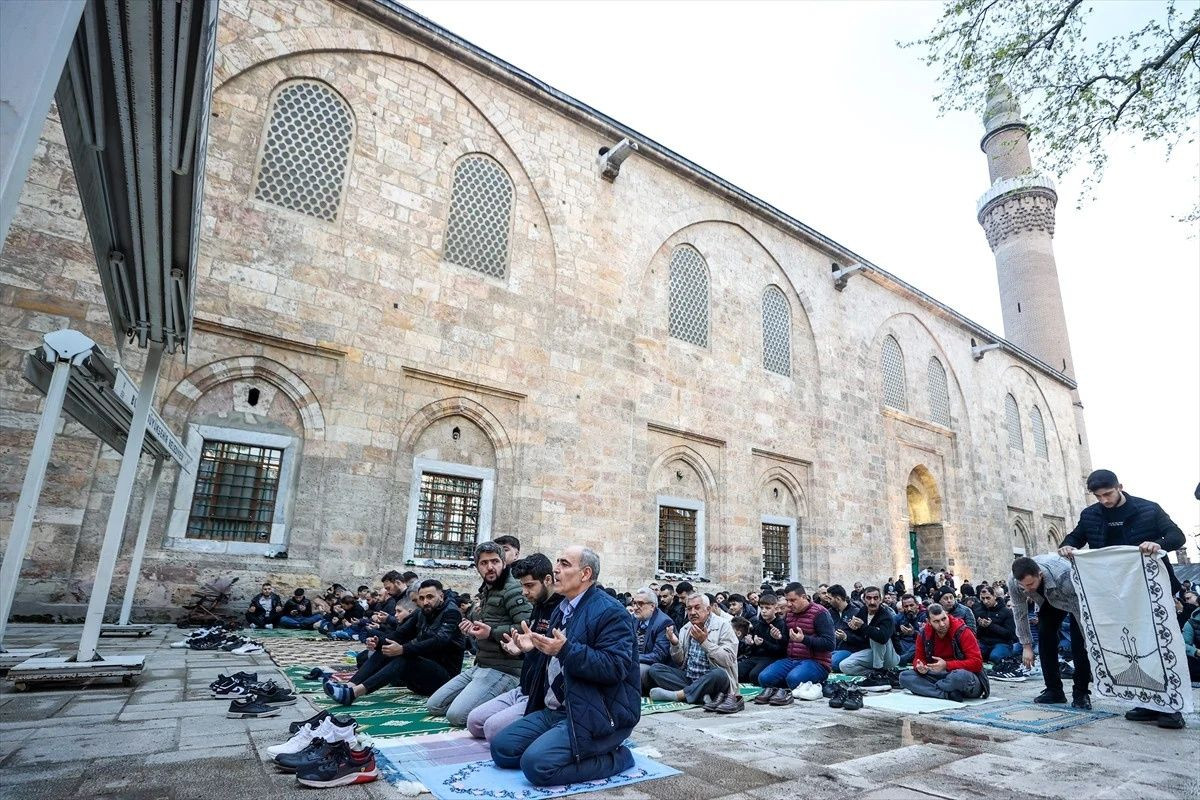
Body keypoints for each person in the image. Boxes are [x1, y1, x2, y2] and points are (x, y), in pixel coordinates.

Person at [490, 546, 641, 787]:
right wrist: (531, 649)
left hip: (595, 714)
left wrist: (566, 650)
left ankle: (619, 757)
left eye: (564, 564)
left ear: (585, 574)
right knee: (502, 750)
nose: (556, 569)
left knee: (537, 766)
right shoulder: (562, 609)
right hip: (556, 709)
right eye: (557, 562)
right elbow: (554, 663)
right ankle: (563, 745)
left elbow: (616, 667)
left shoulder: (611, 612)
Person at [427, 542, 533, 726]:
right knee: (434, 706)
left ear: (503, 563)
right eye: (484, 563)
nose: (490, 567)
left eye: (495, 561)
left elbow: (527, 628)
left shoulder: (514, 589)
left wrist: (491, 632)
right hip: (481, 665)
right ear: (477, 567)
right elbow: (487, 624)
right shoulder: (487, 590)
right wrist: (472, 627)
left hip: (505, 669)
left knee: (456, 716)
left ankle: (511, 696)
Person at [467, 554, 560, 741]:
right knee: (474, 723)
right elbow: (530, 649)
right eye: (522, 586)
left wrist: (530, 648)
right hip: (523, 687)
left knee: (492, 730)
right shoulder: (538, 605)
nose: (524, 592)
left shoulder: (561, 609)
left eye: (529, 585)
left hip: (540, 694)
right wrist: (519, 650)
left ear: (548, 579)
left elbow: (554, 656)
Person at [326, 580, 465, 703]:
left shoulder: (451, 613)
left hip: (445, 678)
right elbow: (400, 634)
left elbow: (438, 641)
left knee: (404, 657)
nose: (425, 602)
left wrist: (403, 649)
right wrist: (379, 642)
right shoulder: (422, 612)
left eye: (430, 597)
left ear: (441, 596)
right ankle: (350, 685)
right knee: (386, 650)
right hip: (423, 672)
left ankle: (353, 694)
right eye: (422, 598)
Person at [1059, 469, 1186, 594]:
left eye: (1108, 494)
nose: (1104, 500)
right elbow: (1076, 537)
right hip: (1110, 583)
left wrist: (1158, 544)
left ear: (1119, 487)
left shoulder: (1150, 509)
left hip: (1150, 580)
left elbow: (1177, 536)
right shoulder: (1090, 514)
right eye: (1098, 496)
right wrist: (1067, 546)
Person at [1009, 555, 1094, 711]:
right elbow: (1020, 614)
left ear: (1039, 574)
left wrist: (1089, 640)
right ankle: (1054, 690)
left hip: (1072, 598)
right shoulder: (1014, 582)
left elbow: (1080, 613)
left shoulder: (1065, 575)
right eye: (1023, 586)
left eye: (1030, 584)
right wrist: (1026, 646)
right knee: (1045, 635)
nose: (1027, 590)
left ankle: (1081, 692)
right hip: (1048, 601)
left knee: (1079, 643)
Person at [646, 593, 741, 713]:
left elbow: (728, 659)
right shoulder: (686, 628)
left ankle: (679, 695)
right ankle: (701, 696)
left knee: (719, 674)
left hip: (714, 680)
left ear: (708, 609)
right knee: (655, 669)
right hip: (690, 678)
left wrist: (704, 642)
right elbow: (679, 662)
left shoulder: (724, 626)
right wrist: (675, 644)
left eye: (697, 607)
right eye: (689, 608)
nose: (692, 612)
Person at [754, 582, 835, 706]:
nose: (789, 604)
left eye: (793, 600)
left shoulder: (820, 613)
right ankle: (785, 688)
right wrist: (779, 637)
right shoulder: (790, 614)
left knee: (794, 679)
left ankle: (809, 683)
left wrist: (804, 639)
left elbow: (830, 644)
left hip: (817, 662)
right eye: (787, 600)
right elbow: (787, 640)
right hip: (792, 659)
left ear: (804, 597)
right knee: (764, 678)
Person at [899, 603, 990, 701]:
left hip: (964, 677)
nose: (942, 624)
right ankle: (947, 694)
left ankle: (933, 689)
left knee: (959, 676)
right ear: (928, 622)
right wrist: (920, 666)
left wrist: (946, 665)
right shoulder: (924, 633)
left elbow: (977, 663)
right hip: (937, 674)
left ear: (947, 614)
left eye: (944, 619)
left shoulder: (963, 631)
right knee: (905, 676)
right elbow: (918, 658)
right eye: (936, 621)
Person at [838, 586, 898, 688]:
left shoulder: (886, 616)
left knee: (876, 634)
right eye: (869, 598)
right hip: (873, 653)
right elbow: (859, 635)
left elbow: (882, 638)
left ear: (880, 599)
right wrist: (851, 631)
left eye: (875, 598)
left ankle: (878, 672)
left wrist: (862, 626)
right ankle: (877, 674)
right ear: (864, 599)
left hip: (889, 657)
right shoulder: (863, 611)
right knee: (844, 666)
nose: (872, 602)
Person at [630, 587, 674, 691]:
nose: (635, 607)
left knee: (634, 670)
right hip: (636, 659)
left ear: (652, 606)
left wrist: (633, 657)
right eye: (634, 603)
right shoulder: (633, 619)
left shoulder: (664, 623)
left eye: (640, 604)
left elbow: (658, 656)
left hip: (655, 667)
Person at [738, 593, 786, 684]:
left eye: (767, 608)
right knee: (737, 671)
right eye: (762, 608)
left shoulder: (781, 624)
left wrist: (763, 643)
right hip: (757, 656)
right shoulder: (759, 624)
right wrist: (751, 643)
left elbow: (781, 650)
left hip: (772, 658)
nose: (763, 611)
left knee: (755, 675)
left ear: (776, 609)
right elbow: (754, 649)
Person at [827, 584, 866, 672]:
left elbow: (863, 640)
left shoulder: (856, 613)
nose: (828, 601)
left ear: (838, 599)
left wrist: (846, 637)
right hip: (832, 650)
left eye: (830, 598)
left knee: (833, 663)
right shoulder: (829, 613)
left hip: (849, 650)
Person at [974, 585, 1016, 664]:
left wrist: (991, 626)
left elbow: (1010, 634)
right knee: (973, 655)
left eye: (988, 598)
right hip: (985, 643)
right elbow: (977, 634)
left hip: (1002, 643)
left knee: (995, 657)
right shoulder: (979, 611)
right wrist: (981, 626)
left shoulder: (1006, 612)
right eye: (983, 598)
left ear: (994, 596)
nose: (985, 601)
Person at [892, 594, 927, 666]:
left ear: (917, 605)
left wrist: (913, 633)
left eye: (911, 605)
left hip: (918, 645)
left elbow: (927, 638)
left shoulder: (925, 616)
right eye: (906, 606)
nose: (909, 609)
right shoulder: (899, 617)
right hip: (903, 645)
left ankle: (901, 660)